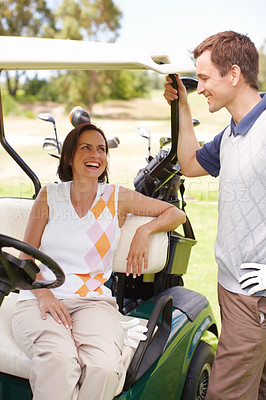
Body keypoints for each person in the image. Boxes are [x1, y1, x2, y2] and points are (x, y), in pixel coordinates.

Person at [12, 122, 185, 400]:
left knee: (103, 367)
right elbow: (25, 257)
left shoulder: (117, 198)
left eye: (101, 149)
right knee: (59, 359)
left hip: (93, 301)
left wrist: (144, 230)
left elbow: (175, 214)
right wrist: (44, 295)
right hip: (40, 299)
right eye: (86, 148)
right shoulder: (49, 196)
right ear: (69, 157)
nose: (96, 155)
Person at [164, 31, 266, 399]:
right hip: (232, 287)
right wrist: (184, 107)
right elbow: (189, 163)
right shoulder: (233, 133)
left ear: (234, 74)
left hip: (253, 297)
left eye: (205, 78)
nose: (201, 86)